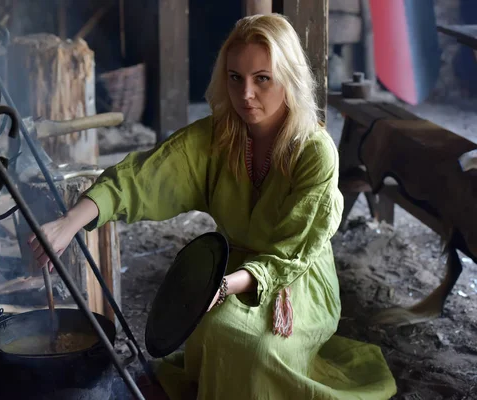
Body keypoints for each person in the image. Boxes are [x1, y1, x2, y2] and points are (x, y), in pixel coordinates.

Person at [28, 13, 397, 400]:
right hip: (231, 269)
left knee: (252, 346)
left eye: (262, 79)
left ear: (288, 77)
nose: (246, 94)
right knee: (213, 330)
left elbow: (289, 256)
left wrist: (220, 288)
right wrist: (69, 222)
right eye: (235, 78)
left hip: (296, 280)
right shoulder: (221, 136)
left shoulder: (314, 152)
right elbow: (143, 177)